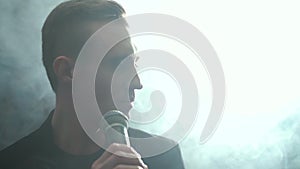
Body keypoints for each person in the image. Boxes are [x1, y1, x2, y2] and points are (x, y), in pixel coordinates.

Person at [0, 0, 185, 169]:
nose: (137, 83)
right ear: (67, 71)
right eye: (118, 63)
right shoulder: (11, 163)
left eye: (134, 62)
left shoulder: (163, 157)